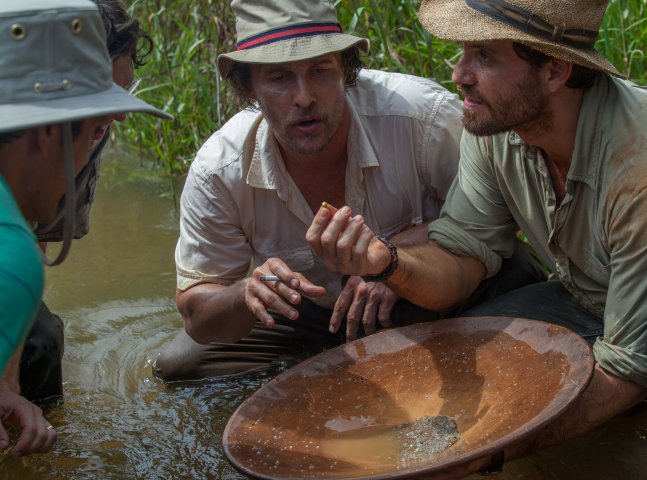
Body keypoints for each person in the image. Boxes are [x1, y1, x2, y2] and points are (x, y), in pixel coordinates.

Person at [306, 0, 647, 477]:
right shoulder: (496, 127)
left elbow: (626, 369)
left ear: (555, 71)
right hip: (598, 299)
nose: (459, 74)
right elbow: (461, 256)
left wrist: (480, 456)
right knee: (473, 346)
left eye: (485, 56)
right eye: (463, 53)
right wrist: (389, 263)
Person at [152, 0, 465, 382]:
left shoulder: (424, 119)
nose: (304, 97)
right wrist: (248, 293)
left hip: (423, 291)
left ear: (346, 70)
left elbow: (493, 221)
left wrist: (396, 263)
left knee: (509, 286)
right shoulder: (219, 169)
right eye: (279, 78)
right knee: (180, 364)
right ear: (248, 87)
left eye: (320, 71)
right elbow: (196, 313)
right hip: (307, 313)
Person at [0, 0, 170, 457]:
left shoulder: (71, 135)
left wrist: (5, 384)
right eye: (101, 105)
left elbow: (33, 228)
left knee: (40, 340)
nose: (116, 118)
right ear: (47, 127)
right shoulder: (13, 259)